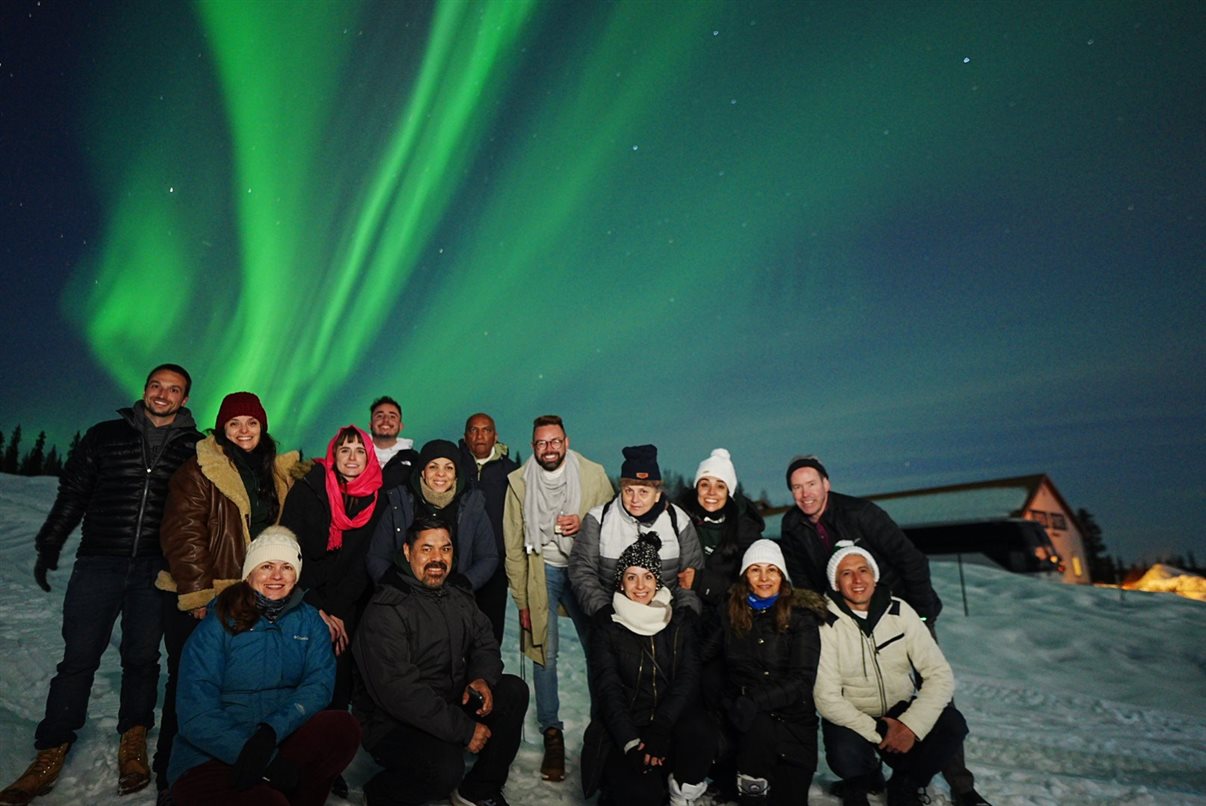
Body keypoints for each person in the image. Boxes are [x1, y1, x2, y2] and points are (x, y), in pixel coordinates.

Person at [0, 364, 201, 806]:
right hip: (98, 562)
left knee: (142, 658)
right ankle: (50, 750)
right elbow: (74, 492)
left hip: (155, 569)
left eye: (173, 390)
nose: (162, 394)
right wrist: (51, 541)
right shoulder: (105, 435)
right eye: (156, 386)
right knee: (78, 658)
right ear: (145, 389)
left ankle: (133, 740)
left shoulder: (195, 448)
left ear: (184, 399)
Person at [780, 457, 984, 802]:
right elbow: (802, 582)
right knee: (850, 691)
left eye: (811, 484)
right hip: (844, 616)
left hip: (898, 611)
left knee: (937, 700)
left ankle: (962, 787)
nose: (805, 493)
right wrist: (820, 620)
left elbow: (910, 560)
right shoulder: (793, 525)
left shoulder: (861, 513)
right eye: (797, 487)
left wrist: (920, 615)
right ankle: (866, 772)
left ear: (826, 484)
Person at [154, 391, 303, 795]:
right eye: (234, 424)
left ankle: (233, 766)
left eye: (251, 423)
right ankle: (171, 774)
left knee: (238, 685)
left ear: (262, 427)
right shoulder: (199, 470)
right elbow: (183, 534)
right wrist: (199, 594)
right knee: (191, 686)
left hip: (253, 593)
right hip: (206, 593)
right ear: (222, 428)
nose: (243, 431)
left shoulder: (276, 471)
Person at [168, 528, 360, 805]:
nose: (277, 576)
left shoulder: (310, 622)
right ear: (249, 573)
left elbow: (318, 686)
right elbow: (196, 712)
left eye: (287, 567)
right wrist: (253, 753)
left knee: (341, 728)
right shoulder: (217, 624)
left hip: (278, 738)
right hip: (212, 754)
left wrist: (270, 732)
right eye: (267, 566)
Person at [352, 518, 529, 806]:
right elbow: (400, 692)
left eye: (445, 549)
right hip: (393, 721)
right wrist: (463, 729)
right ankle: (380, 793)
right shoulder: (387, 608)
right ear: (408, 552)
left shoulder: (456, 594)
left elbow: (484, 640)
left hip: (447, 701)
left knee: (513, 691)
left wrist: (481, 677)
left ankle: (477, 790)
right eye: (427, 549)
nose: (437, 558)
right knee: (444, 770)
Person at [814, 543, 987, 806]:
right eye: (846, 573)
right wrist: (881, 732)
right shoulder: (825, 623)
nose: (858, 579)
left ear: (874, 576)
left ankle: (905, 784)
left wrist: (910, 727)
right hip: (856, 717)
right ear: (836, 584)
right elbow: (826, 698)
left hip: (900, 712)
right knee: (842, 750)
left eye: (863, 570)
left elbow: (939, 675)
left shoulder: (900, 611)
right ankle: (862, 779)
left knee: (952, 724)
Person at [502, 414, 613, 782]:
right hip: (542, 570)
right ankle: (552, 732)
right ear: (533, 447)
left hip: (584, 570)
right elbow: (513, 546)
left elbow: (612, 522)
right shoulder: (519, 482)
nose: (548, 448)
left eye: (554, 441)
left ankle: (604, 727)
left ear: (566, 442)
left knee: (599, 649)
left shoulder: (593, 474)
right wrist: (522, 601)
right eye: (541, 443)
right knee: (543, 653)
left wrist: (584, 522)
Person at [278, 423, 384, 800]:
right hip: (302, 598)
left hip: (347, 603)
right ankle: (288, 760)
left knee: (338, 685)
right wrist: (316, 606)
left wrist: (338, 610)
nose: (352, 457)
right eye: (344, 450)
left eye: (359, 450)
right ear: (333, 455)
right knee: (301, 681)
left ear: (369, 457)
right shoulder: (308, 489)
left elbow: (367, 560)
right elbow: (289, 548)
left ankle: (328, 764)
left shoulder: (378, 498)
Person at [581, 533, 716, 806]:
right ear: (621, 583)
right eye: (632, 577)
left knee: (700, 731)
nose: (640, 586)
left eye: (648, 577)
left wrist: (662, 727)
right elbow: (609, 690)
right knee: (639, 795)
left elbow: (688, 679)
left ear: (658, 581)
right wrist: (631, 742)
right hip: (630, 727)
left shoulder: (679, 622)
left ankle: (681, 789)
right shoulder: (607, 629)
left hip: (670, 723)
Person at [711, 540, 825, 806]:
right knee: (753, 794)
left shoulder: (801, 617)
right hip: (747, 724)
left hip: (792, 723)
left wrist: (754, 700)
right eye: (755, 570)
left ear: (782, 576)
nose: (764, 578)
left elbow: (802, 679)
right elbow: (706, 657)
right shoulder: (731, 612)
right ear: (745, 576)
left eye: (771, 570)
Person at [570, 444, 704, 621]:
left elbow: (690, 577)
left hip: (665, 620)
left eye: (643, 492)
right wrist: (602, 611)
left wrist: (685, 616)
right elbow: (582, 571)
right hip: (612, 618)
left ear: (657, 493)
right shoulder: (598, 519)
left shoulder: (679, 521)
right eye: (629, 491)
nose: (635, 500)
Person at [365, 439, 497, 591]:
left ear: (456, 474)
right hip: (405, 594)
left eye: (448, 467)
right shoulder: (400, 503)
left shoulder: (472, 506)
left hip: (454, 595)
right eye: (433, 467)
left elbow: (488, 557)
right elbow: (377, 556)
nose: (441, 474)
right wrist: (393, 584)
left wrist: (465, 583)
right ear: (423, 472)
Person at [676, 448, 764, 617]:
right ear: (696, 489)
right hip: (683, 608)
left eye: (720, 486)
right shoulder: (680, 520)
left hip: (728, 613)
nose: (711, 492)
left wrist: (702, 582)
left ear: (729, 492)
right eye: (705, 484)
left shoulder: (745, 528)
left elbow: (752, 586)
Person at [458, 413, 519, 646]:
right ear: (466, 436)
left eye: (486, 430)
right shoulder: (453, 466)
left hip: (495, 566)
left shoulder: (511, 472)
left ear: (495, 436)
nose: (480, 435)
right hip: (457, 565)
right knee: (456, 632)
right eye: (474, 430)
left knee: (490, 634)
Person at [368, 396, 418, 485]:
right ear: (370, 425)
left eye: (392, 416)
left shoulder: (414, 460)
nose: (386, 420)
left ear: (401, 426)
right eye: (379, 416)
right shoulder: (354, 455)